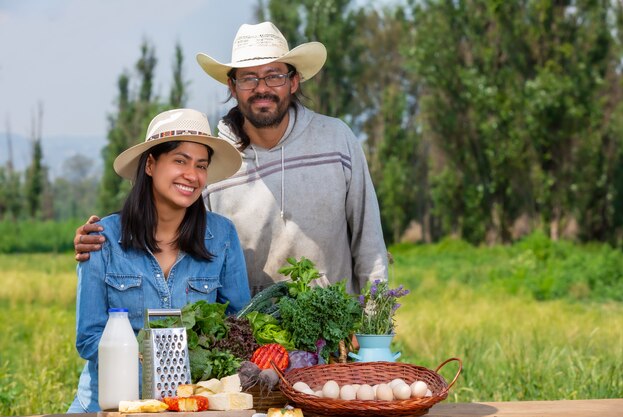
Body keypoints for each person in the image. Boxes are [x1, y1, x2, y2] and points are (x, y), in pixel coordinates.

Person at [74, 21, 388, 295]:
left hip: (336, 335)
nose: (262, 88)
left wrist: (375, 329)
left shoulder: (336, 140)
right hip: (249, 340)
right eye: (249, 78)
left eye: (274, 76)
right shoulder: (214, 163)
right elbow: (170, 228)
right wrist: (107, 239)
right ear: (232, 86)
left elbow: (369, 242)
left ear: (294, 81)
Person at [67, 108, 250, 413]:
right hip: (108, 404)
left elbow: (237, 327)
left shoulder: (222, 235)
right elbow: (89, 339)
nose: (192, 175)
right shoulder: (104, 238)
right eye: (180, 160)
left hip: (189, 405)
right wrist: (150, 361)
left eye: (201, 165)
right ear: (151, 164)